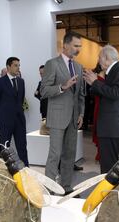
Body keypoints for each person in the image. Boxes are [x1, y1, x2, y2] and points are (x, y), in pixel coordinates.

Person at [41, 32, 85, 194]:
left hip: (74, 119)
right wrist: (62, 87)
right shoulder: (52, 64)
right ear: (65, 45)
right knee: (55, 155)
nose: (78, 49)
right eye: (75, 46)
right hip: (58, 117)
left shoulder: (79, 67)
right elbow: (44, 90)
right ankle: (49, 189)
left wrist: (81, 114)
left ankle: (66, 187)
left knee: (69, 155)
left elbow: (81, 94)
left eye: (80, 46)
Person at [83, 45, 119, 174]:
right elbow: (107, 93)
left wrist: (95, 82)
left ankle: (110, 193)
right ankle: (111, 192)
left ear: (106, 58)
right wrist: (94, 84)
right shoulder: (114, 71)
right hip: (110, 127)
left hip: (112, 127)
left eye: (99, 58)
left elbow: (115, 93)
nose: (98, 61)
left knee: (109, 166)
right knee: (108, 164)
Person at [0, 57, 29, 166]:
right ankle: (4, 169)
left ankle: (26, 169)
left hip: (19, 120)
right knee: (4, 147)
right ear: (8, 67)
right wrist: (2, 114)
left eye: (19, 65)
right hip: (5, 120)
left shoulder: (21, 82)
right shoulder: (0, 82)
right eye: (16, 65)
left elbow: (20, 100)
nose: (18, 68)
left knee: (22, 146)